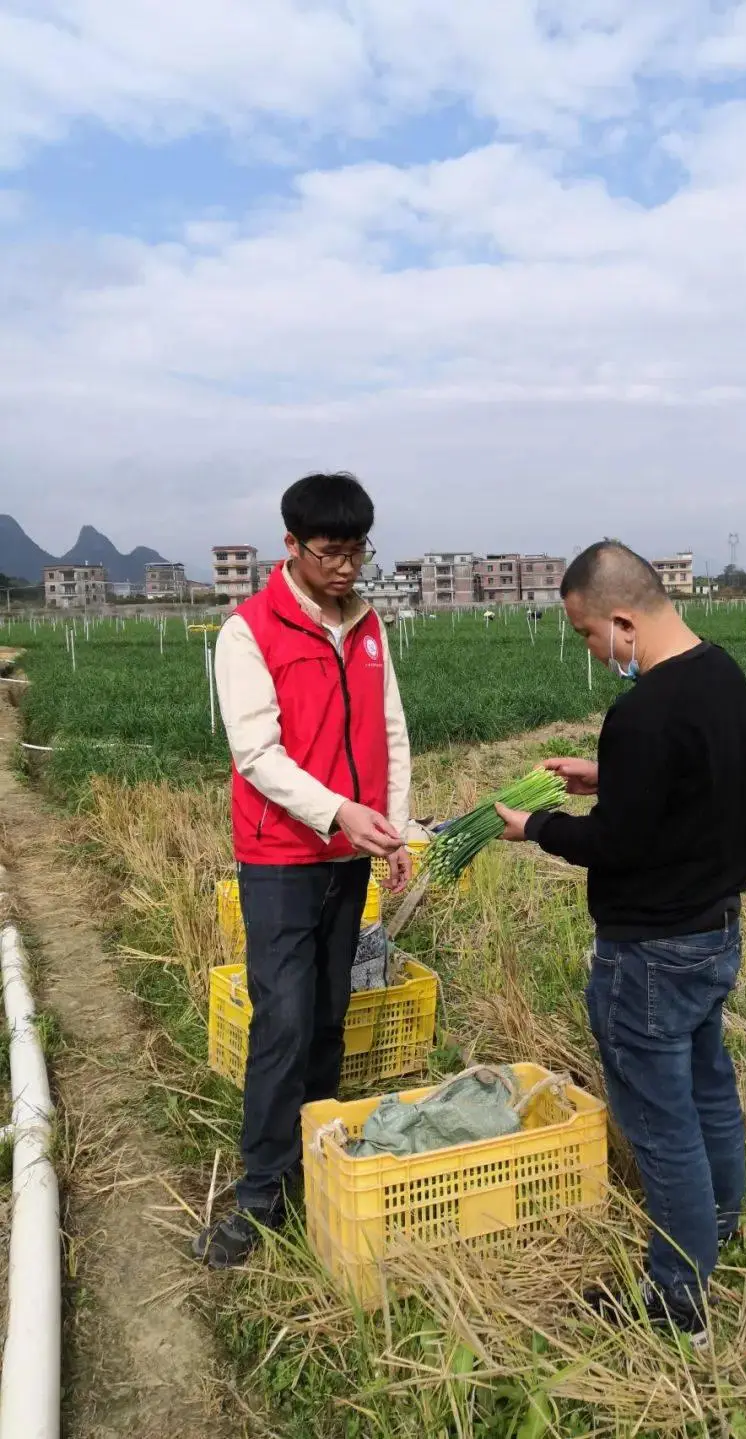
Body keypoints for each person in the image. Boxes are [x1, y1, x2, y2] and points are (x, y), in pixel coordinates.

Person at [496, 541, 746, 1342]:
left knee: (660, 1122)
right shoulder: (720, 675)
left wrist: (536, 826)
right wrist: (604, 771)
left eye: (586, 634)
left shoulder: (642, 709)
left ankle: (678, 1300)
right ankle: (720, 1222)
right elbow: (688, 785)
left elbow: (615, 844)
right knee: (710, 1085)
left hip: (649, 950)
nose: (592, 648)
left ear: (620, 619)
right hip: (714, 932)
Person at [193, 472, 412, 1268]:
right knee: (281, 1020)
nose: (347, 567)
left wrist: (393, 828)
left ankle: (315, 1160)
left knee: (327, 1010)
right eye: (332, 552)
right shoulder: (250, 631)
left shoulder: (368, 622)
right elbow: (257, 753)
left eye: (358, 551)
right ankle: (259, 1194)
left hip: (349, 854)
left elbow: (390, 728)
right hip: (282, 856)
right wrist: (337, 812)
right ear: (292, 546)